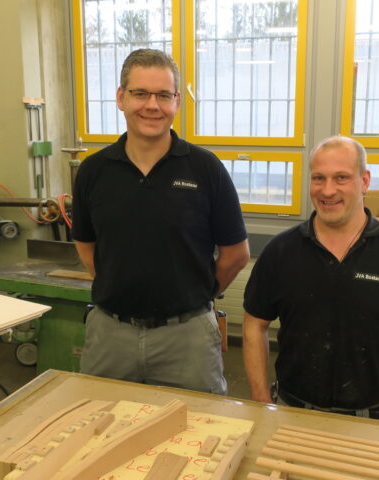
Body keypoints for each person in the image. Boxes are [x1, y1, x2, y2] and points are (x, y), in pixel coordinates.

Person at [72, 49, 249, 395]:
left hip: (188, 338)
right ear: (121, 98)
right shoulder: (94, 171)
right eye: (140, 93)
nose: (152, 105)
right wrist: (121, 288)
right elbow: (86, 245)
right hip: (110, 335)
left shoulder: (206, 169)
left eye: (163, 95)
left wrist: (195, 296)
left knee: (199, 423)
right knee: (102, 421)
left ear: (177, 101)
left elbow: (236, 254)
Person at [243, 135, 379, 425]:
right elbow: (254, 324)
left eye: (341, 178)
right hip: (292, 411)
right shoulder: (280, 251)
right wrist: (261, 401)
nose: (328, 190)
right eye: (319, 178)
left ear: (364, 181)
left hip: (374, 417)